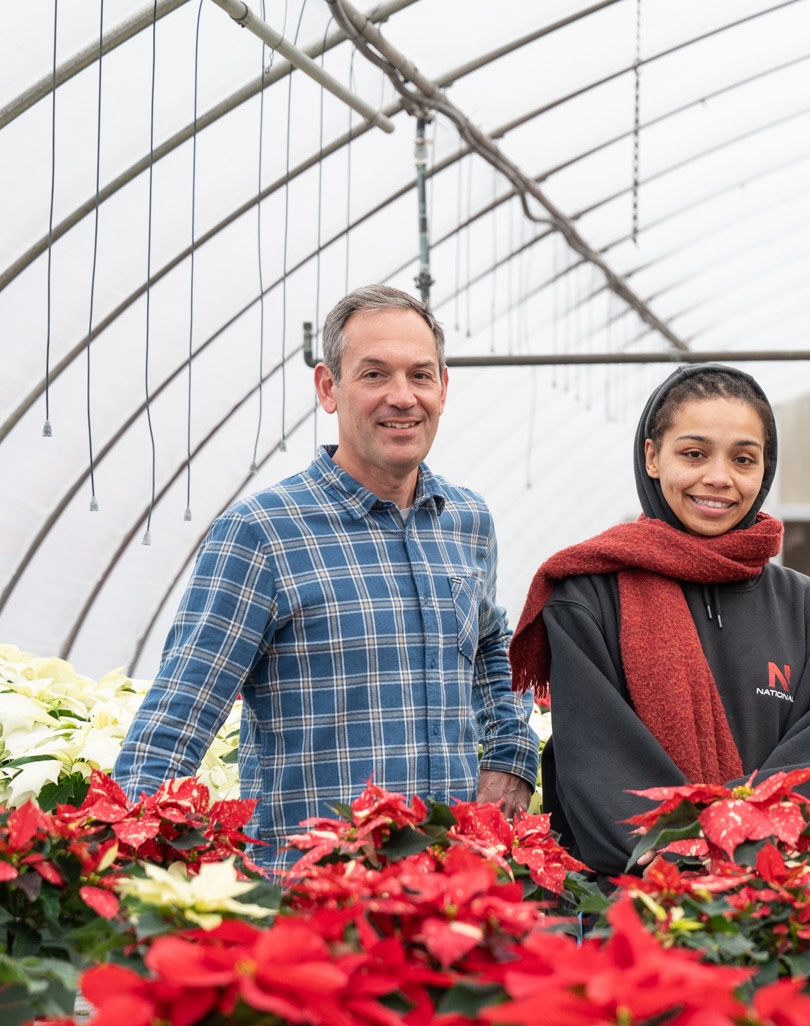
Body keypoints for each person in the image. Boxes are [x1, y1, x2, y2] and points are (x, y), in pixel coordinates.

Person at [114, 285, 537, 869]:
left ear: (443, 387)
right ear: (328, 388)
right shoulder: (262, 533)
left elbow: (492, 643)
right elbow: (178, 716)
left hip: (451, 891)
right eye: (374, 374)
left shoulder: (466, 521)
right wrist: (132, 860)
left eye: (420, 375)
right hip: (317, 901)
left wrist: (512, 753)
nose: (402, 397)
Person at [508, 365, 810, 880]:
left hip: (771, 902)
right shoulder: (587, 598)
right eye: (694, 454)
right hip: (632, 901)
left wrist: (735, 854)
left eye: (743, 459)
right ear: (652, 457)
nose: (719, 478)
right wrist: (684, 854)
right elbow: (597, 761)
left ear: (764, 470)